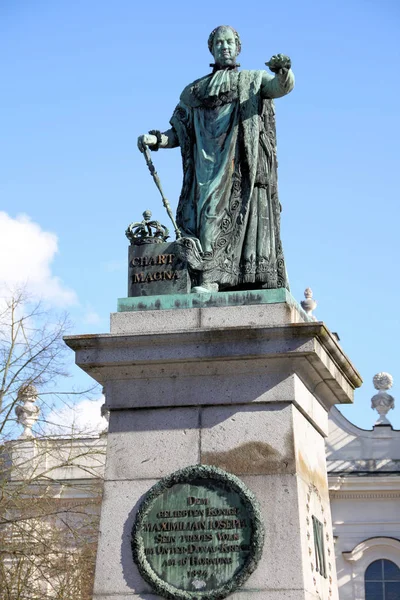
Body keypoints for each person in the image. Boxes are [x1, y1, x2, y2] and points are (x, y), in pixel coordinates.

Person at [138, 25, 294, 292]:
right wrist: (156, 140)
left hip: (241, 166)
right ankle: (206, 277)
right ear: (211, 48)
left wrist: (283, 72)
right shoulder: (194, 91)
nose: (225, 47)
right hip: (206, 167)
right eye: (219, 43)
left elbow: (279, 87)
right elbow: (179, 131)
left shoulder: (252, 80)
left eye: (229, 42)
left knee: (226, 217)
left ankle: (213, 280)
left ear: (238, 47)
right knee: (205, 216)